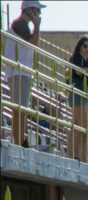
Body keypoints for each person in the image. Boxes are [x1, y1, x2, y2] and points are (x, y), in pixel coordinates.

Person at [4, 1, 44, 149]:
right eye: (37, 11)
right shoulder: (19, 23)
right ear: (30, 10)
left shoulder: (22, 25)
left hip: (22, 72)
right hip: (18, 72)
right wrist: (37, 26)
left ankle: (21, 139)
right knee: (19, 110)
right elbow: (33, 41)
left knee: (22, 110)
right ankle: (19, 141)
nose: (39, 15)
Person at [67, 34, 88, 161]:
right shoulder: (77, 57)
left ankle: (82, 157)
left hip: (84, 95)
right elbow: (78, 71)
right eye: (85, 46)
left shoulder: (87, 61)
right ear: (79, 47)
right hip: (77, 93)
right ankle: (72, 155)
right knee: (80, 125)